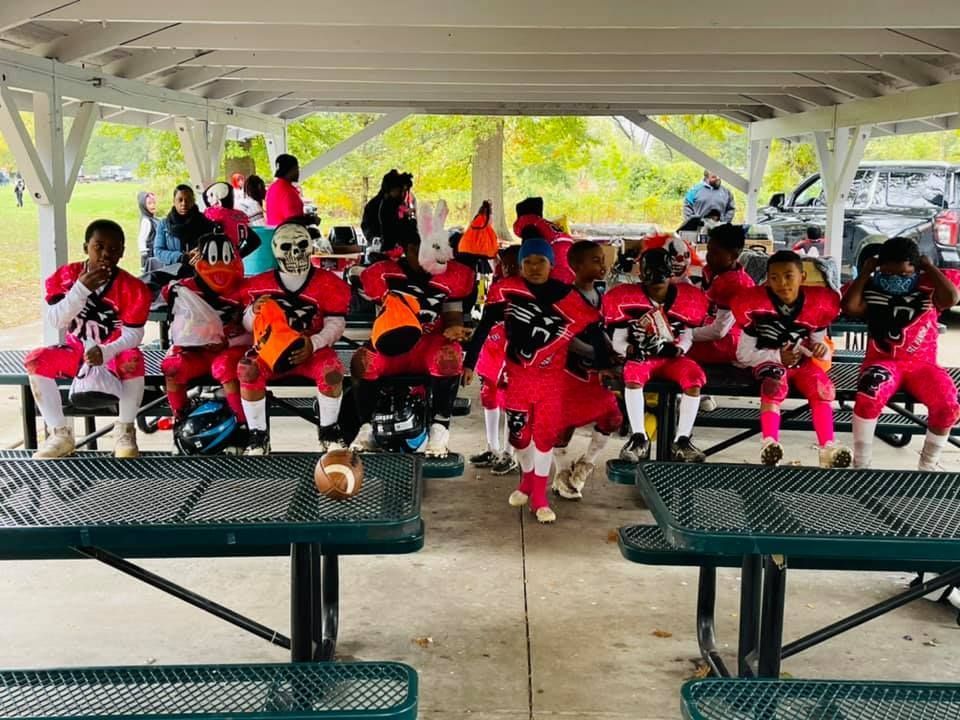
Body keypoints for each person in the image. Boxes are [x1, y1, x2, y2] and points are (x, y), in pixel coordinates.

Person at [465, 238, 605, 523]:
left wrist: (605, 365)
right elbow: (483, 326)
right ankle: (527, 480)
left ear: (552, 264)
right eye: (527, 262)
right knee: (519, 438)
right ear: (519, 266)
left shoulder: (568, 295)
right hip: (517, 377)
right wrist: (469, 362)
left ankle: (539, 497)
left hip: (552, 382)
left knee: (544, 439)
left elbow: (593, 331)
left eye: (540, 261)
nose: (534, 267)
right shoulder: (506, 290)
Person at [350, 204, 475, 457]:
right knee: (362, 361)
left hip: (429, 346)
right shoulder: (385, 273)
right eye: (421, 246)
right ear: (406, 250)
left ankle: (440, 427)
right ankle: (366, 428)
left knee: (450, 355)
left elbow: (452, 315)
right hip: (391, 346)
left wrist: (455, 330)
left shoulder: (449, 276)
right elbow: (358, 280)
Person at [25, 220, 151, 459]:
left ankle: (125, 429)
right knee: (37, 360)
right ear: (86, 247)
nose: (106, 254)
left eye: (114, 249)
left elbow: (134, 334)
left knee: (133, 357)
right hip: (76, 349)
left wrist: (108, 350)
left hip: (113, 351)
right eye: (99, 246)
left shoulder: (133, 288)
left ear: (123, 252)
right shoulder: (66, 276)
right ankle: (60, 434)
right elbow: (56, 320)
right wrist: (80, 290)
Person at [841, 237, 960, 470]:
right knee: (868, 395)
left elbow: (952, 298)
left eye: (904, 275)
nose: (895, 280)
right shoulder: (871, 288)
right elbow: (850, 307)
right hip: (883, 362)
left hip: (922, 365)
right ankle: (861, 464)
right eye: (888, 274)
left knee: (948, 405)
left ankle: (928, 464)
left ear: (916, 268)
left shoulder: (929, 287)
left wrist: (929, 267)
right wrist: (866, 273)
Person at [238, 222, 351, 455]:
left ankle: (328, 429)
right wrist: (253, 313)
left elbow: (336, 324)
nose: (296, 253)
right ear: (276, 249)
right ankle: (257, 434)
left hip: (313, 349)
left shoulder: (328, 283)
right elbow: (247, 326)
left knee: (332, 371)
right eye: (288, 247)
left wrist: (314, 344)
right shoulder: (259, 285)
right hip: (271, 350)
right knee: (248, 370)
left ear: (310, 247)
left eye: (301, 245)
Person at [732, 250, 850, 467]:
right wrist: (778, 356)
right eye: (774, 278)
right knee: (773, 384)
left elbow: (818, 341)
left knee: (822, 387)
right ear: (767, 280)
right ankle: (769, 441)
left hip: (801, 363)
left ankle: (827, 445)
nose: (782, 283)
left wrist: (820, 349)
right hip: (769, 362)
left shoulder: (817, 304)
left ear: (802, 277)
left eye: (789, 276)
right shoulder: (753, 306)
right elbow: (743, 354)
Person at [603, 248, 709, 463]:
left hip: (672, 358)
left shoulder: (688, 299)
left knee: (694, 377)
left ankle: (682, 439)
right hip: (642, 357)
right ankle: (639, 436)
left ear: (672, 272)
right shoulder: (625, 298)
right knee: (632, 375)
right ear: (641, 274)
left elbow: (688, 336)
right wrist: (631, 350)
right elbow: (619, 340)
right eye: (651, 271)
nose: (657, 278)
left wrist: (679, 349)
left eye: (662, 270)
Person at [161, 231, 251, 438]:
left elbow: (255, 332)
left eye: (225, 258)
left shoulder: (245, 290)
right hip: (195, 352)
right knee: (172, 367)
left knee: (225, 367)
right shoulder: (185, 288)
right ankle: (181, 419)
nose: (218, 265)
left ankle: (242, 424)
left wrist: (228, 343)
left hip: (233, 349)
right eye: (211, 258)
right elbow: (164, 291)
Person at [552, 240, 622, 500]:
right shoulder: (565, 299)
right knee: (563, 424)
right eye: (595, 260)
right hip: (571, 374)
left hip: (596, 376)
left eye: (602, 260)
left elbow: (604, 331)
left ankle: (585, 465)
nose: (602, 265)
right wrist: (597, 353)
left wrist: (614, 350)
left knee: (612, 418)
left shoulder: (601, 296)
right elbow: (566, 338)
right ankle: (561, 473)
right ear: (575, 265)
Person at [466, 244, 520, 475]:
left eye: (512, 263)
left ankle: (510, 453)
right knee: (489, 394)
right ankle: (493, 448)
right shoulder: (498, 286)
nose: (506, 267)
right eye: (503, 263)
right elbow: (486, 322)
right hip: (493, 346)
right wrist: (470, 361)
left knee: (512, 400)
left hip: (514, 350)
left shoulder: (533, 289)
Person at [689, 224, 754, 365]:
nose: (708, 256)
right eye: (708, 250)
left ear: (734, 255)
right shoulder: (715, 271)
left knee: (670, 345)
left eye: (715, 253)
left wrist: (685, 334)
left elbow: (719, 331)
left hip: (727, 345)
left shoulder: (735, 285)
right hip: (708, 329)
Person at [514, 197, 575, 284]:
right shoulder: (547, 226)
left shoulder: (528, 226)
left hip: (555, 274)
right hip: (569, 271)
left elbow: (530, 251)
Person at [153, 185, 215, 266]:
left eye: (188, 199)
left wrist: (203, 253)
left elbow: (214, 245)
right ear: (174, 201)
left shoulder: (206, 222)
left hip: (201, 270)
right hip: (174, 272)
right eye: (180, 200)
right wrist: (182, 257)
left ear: (193, 201)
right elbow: (158, 251)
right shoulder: (164, 224)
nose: (184, 203)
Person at [202, 181, 258, 257]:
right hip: (234, 263)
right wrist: (238, 255)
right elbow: (255, 241)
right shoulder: (238, 218)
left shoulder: (212, 218)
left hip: (215, 263)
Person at [265, 154, 316, 226]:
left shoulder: (273, 187)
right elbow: (293, 221)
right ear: (292, 169)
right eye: (297, 168)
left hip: (275, 233)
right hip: (287, 235)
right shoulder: (288, 191)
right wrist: (311, 220)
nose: (298, 172)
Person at [136, 191, 158, 272]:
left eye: (154, 203)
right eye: (149, 203)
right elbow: (141, 238)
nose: (153, 205)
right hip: (150, 254)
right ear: (143, 206)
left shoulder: (153, 219)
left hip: (156, 252)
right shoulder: (146, 221)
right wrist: (144, 254)